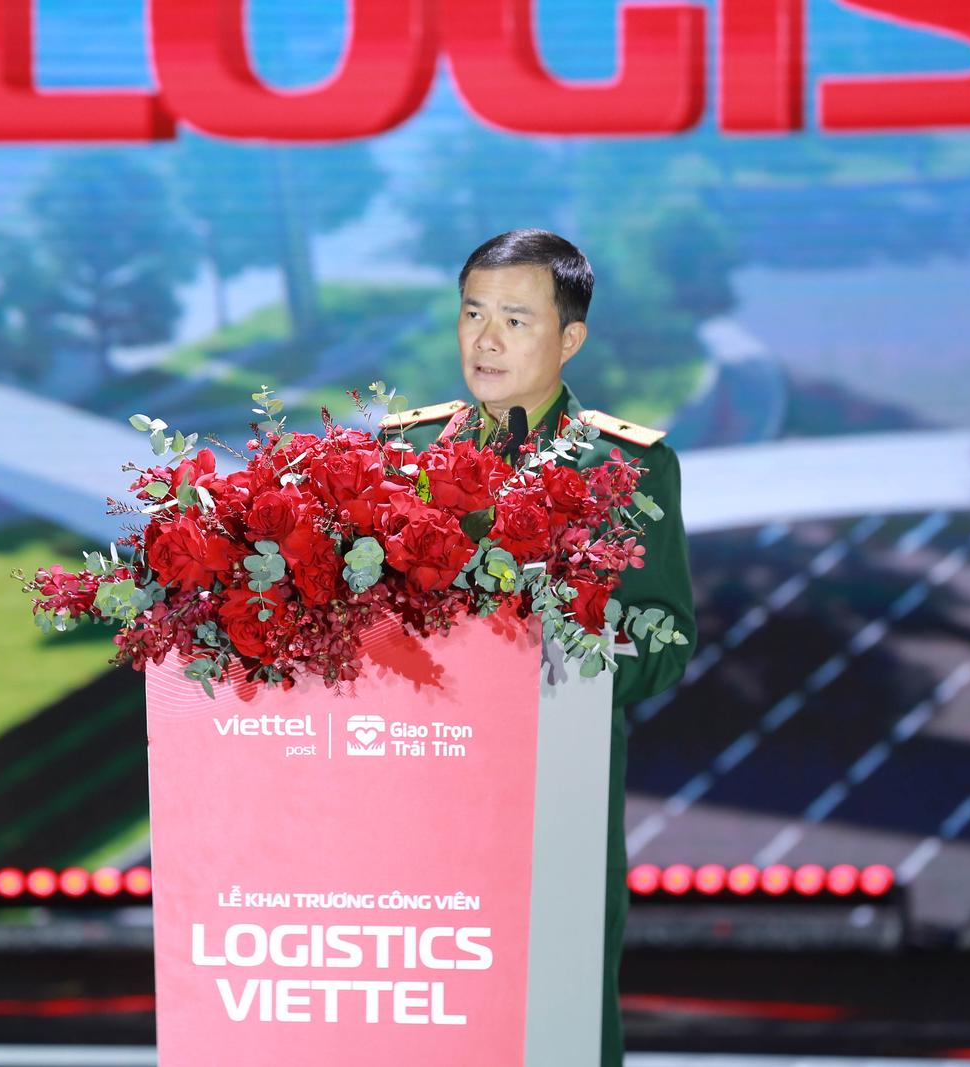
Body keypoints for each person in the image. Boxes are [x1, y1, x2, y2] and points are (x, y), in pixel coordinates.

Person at [378, 228, 696, 1067]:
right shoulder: (400, 452)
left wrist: (556, 656)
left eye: (515, 320)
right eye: (472, 313)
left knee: (557, 1014)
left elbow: (666, 640)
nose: (485, 339)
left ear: (570, 338)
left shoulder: (624, 465)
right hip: (410, 784)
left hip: (556, 792)